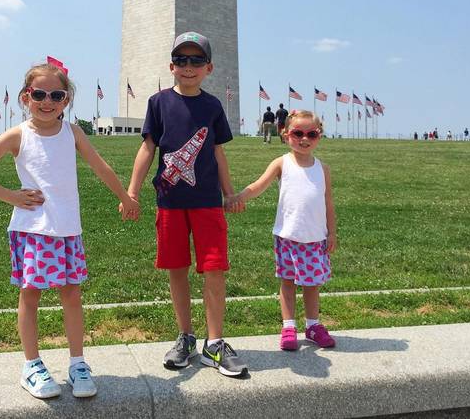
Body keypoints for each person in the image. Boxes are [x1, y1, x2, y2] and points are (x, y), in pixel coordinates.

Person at [0, 60, 139, 399]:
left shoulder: (72, 132)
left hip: (67, 228)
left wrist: (125, 196)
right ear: (25, 97)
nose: (47, 102)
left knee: (72, 295)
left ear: (66, 100)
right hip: (34, 230)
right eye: (39, 94)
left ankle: (77, 364)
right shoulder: (18, 134)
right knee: (30, 296)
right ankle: (32, 365)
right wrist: (11, 196)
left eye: (56, 95)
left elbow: (99, 165)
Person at [123, 31, 248, 378]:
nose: (188, 66)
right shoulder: (158, 102)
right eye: (181, 60)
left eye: (196, 60)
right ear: (171, 66)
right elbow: (148, 148)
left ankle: (215, 343)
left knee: (214, 270)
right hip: (170, 203)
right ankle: (185, 337)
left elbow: (219, 153)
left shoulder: (212, 106)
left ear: (208, 67)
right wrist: (132, 192)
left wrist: (230, 193)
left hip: (207, 202)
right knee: (177, 269)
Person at [233, 110, 337, 351]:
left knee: (312, 285)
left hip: (315, 238)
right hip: (287, 235)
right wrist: (239, 196)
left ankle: (313, 325)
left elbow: (328, 202)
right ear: (286, 135)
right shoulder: (282, 163)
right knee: (288, 282)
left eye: (311, 134)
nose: (304, 139)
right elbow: (260, 185)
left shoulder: (323, 169)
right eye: (298, 133)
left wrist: (332, 232)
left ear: (319, 136)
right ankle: (288, 326)